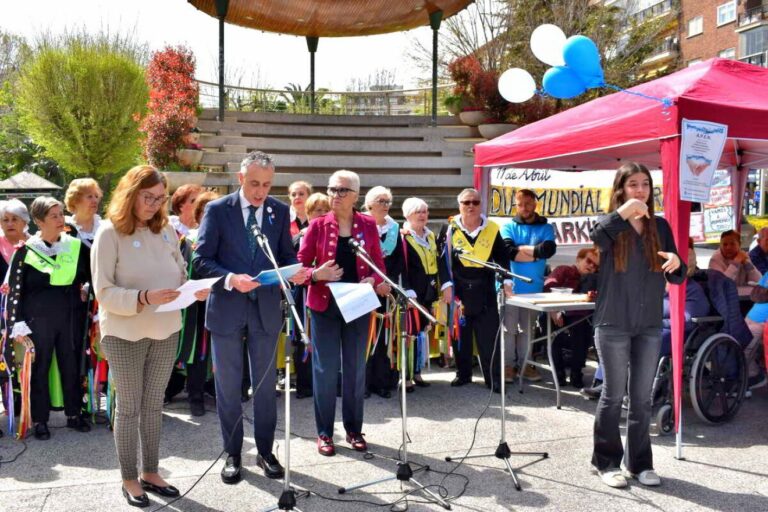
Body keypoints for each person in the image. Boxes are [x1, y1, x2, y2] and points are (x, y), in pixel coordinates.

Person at [92, 165, 211, 507]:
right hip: (124, 332)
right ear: (130, 193)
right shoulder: (109, 232)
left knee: (153, 405)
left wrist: (192, 289)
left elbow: (180, 271)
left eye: (160, 198)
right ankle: (129, 477)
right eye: (149, 197)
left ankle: (151, 471)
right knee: (129, 408)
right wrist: (143, 297)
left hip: (166, 328)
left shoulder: (165, 230)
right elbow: (104, 292)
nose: (155, 204)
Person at [193, 151, 307, 484]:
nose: (260, 192)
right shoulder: (217, 210)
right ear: (241, 178)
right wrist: (231, 279)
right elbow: (201, 260)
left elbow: (286, 255)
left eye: (267, 185)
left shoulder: (279, 211)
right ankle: (232, 453)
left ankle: (266, 451)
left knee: (265, 386)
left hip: (266, 310)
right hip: (227, 308)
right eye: (255, 183)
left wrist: (293, 272)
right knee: (228, 387)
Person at [589, 162, 685, 489]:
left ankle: (640, 463)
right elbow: (596, 236)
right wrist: (622, 213)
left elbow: (677, 271)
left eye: (645, 184)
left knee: (642, 399)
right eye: (633, 184)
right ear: (621, 189)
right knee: (613, 396)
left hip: (647, 324)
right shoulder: (610, 226)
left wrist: (677, 264)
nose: (640, 190)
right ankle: (605, 463)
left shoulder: (660, 225)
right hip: (613, 322)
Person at [297, 170, 390, 456]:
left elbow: (378, 265)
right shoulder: (318, 225)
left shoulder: (367, 225)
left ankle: (353, 429)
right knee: (324, 371)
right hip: (325, 305)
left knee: (354, 369)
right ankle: (325, 432)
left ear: (355, 196)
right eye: (331, 189)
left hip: (358, 304)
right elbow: (298, 268)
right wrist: (316, 273)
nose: (334, 195)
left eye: (341, 191)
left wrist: (374, 281)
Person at [4, 196, 91, 441]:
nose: (60, 219)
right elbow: (15, 290)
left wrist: (86, 289)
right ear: (39, 221)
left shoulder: (76, 247)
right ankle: (40, 420)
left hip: (70, 316)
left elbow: (94, 276)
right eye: (53, 215)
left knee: (71, 364)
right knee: (40, 369)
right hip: (37, 319)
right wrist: (17, 322)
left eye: (61, 214)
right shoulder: (25, 252)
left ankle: (75, 414)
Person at [438, 188, 511, 392]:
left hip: (484, 287)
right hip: (458, 289)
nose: (471, 206)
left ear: (481, 205)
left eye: (475, 202)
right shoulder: (448, 228)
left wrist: (506, 281)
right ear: (459, 205)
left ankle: (493, 379)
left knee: (488, 336)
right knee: (460, 334)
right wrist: (446, 285)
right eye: (466, 202)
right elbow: (441, 260)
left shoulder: (493, 228)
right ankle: (463, 374)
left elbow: (502, 258)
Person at [164, 190, 221, 416]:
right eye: (205, 212)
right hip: (194, 305)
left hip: (220, 302)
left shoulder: (227, 241)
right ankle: (194, 394)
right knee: (197, 349)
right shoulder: (187, 240)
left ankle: (217, 390)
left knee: (220, 349)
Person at [501, 189, 557, 383]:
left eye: (528, 203)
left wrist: (522, 250)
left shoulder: (546, 227)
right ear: (515, 205)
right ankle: (508, 366)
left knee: (528, 328)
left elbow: (548, 250)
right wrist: (535, 252)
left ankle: (525, 365)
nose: (524, 208)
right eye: (520, 204)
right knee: (509, 329)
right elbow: (508, 251)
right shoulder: (507, 226)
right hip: (511, 288)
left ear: (535, 204)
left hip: (534, 288)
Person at [363, 186, 403, 398]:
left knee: (383, 337)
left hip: (386, 289)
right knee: (364, 337)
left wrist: (387, 283)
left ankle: (380, 382)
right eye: (381, 201)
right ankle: (363, 384)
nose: (386, 205)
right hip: (365, 285)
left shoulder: (395, 229)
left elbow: (397, 262)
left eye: (388, 201)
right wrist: (373, 282)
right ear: (369, 204)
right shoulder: (361, 224)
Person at [291, 192, 330, 400]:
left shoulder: (333, 235)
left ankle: (324, 383)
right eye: (318, 210)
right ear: (308, 212)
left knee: (324, 337)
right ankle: (305, 384)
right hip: (304, 292)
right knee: (303, 336)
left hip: (327, 293)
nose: (322, 214)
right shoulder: (300, 236)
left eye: (326, 210)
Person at [543, 247, 599, 388]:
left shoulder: (595, 278)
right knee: (549, 325)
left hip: (580, 316)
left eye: (595, 265)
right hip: (556, 310)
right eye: (589, 261)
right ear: (578, 259)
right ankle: (558, 372)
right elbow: (549, 287)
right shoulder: (564, 270)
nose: (592, 266)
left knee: (582, 328)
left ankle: (576, 372)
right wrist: (554, 311)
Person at [400, 197, 439, 390]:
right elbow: (401, 266)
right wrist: (407, 290)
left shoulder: (430, 235)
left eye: (425, 211)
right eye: (418, 212)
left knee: (422, 333)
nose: (423, 215)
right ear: (408, 215)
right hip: (412, 294)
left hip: (429, 291)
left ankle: (417, 372)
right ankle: (405, 376)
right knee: (409, 335)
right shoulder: (403, 237)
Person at [64, 178, 104, 247]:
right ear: (75, 200)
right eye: (90, 196)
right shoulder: (64, 229)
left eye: (96, 196)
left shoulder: (104, 228)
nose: (95, 200)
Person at [0, 199, 30, 279]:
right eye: (5, 220)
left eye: (14, 219)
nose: (10, 224)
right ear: (1, 224)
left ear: (24, 222)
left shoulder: (35, 244)